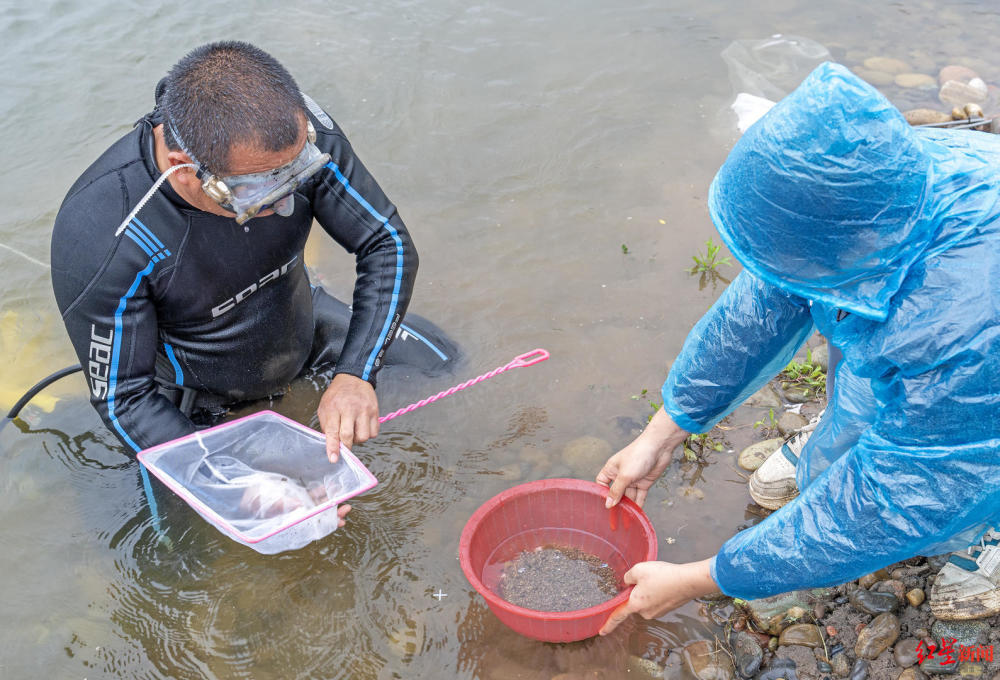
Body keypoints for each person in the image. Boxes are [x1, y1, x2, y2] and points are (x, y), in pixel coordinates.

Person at [596, 62, 1000, 634]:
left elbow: (901, 495)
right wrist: (662, 432)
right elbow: (757, 309)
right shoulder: (861, 193)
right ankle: (848, 437)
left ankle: (989, 535)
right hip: (932, 328)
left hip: (984, 378)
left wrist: (702, 577)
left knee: (960, 471)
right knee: (866, 376)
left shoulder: (967, 331)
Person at [50, 41, 457, 473]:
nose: (283, 202)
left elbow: (385, 242)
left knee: (449, 366)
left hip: (305, 328)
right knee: (219, 531)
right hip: (199, 398)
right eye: (258, 190)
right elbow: (124, 398)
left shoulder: (296, 135)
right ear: (183, 168)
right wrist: (232, 485)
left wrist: (356, 373)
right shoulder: (103, 230)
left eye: (294, 176)